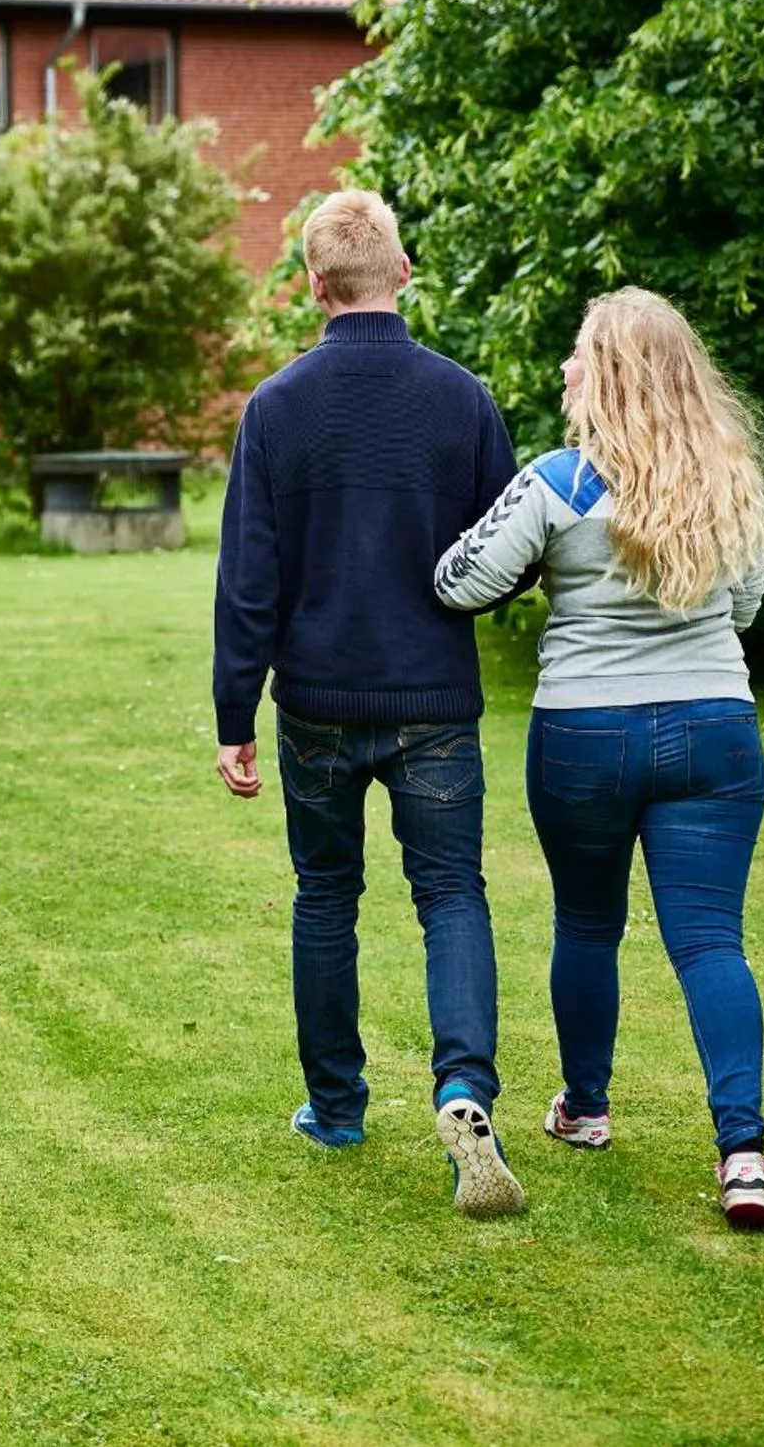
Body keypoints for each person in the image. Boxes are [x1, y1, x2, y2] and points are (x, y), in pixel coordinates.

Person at [434, 288, 764, 1231]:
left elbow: (459, 581)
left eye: (580, 353)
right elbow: (744, 607)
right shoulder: (729, 478)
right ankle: (744, 1155)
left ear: (614, 374)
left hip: (585, 733)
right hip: (715, 728)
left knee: (588, 923)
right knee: (712, 941)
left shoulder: (558, 481)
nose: (565, 369)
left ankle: (584, 1109)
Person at [211, 188, 529, 1218]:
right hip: (434, 692)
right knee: (450, 895)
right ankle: (462, 1092)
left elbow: (247, 580)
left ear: (312, 285)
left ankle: (336, 1107)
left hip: (313, 701)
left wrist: (232, 715)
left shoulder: (275, 407)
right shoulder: (463, 399)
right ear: (401, 273)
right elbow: (507, 553)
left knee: (324, 897)